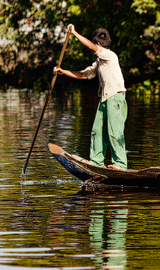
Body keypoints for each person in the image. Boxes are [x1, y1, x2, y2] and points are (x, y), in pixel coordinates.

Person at [53, 24, 128, 170]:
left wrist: (74, 33)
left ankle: (120, 164)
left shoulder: (110, 56)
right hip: (105, 99)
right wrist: (63, 71)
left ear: (98, 44)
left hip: (116, 98)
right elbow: (83, 74)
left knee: (114, 132)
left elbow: (92, 48)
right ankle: (96, 161)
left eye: (96, 45)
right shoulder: (99, 62)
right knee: (97, 130)